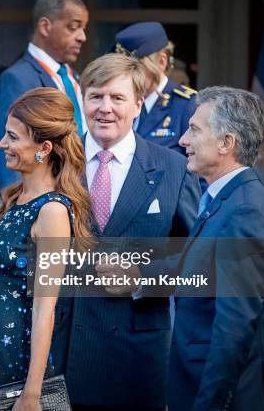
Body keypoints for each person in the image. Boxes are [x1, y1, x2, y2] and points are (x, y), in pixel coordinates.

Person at [50, 54, 200, 410]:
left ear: (137, 104)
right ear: (81, 101)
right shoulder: (55, 163)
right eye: (96, 96)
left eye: (117, 98)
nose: (105, 108)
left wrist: (141, 277)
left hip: (137, 361)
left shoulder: (173, 168)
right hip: (61, 355)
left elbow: (200, 261)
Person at [0, 88, 92, 410]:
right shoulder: (13, 200)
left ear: (43, 149)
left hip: (13, 365)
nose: (2, 144)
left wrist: (32, 392)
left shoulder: (53, 212)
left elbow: (45, 309)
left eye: (12, 137)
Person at [169, 87, 264, 411]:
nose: (183, 140)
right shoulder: (227, 198)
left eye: (194, 130)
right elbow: (200, 266)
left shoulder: (247, 210)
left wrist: (210, 404)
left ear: (226, 143)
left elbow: (235, 326)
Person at [0, 0, 89, 193]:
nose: (83, 37)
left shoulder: (75, 77)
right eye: (73, 27)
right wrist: (17, 209)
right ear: (45, 26)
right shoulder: (17, 78)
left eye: (83, 28)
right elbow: (9, 155)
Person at [113, 21, 197, 156]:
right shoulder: (119, 103)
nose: (127, 75)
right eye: (122, 69)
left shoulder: (187, 105)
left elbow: (202, 169)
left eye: (136, 67)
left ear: (161, 63)